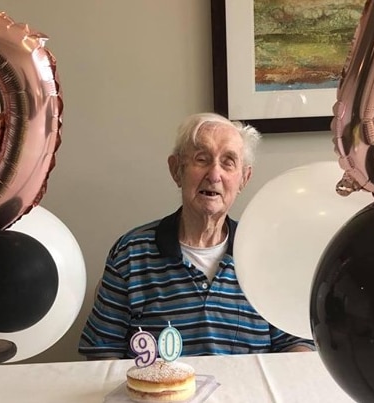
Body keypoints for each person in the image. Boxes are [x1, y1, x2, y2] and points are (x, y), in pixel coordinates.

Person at [78, 112, 314, 359]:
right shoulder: (131, 254)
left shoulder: (265, 252)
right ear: (176, 170)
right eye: (202, 159)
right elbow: (102, 351)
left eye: (228, 162)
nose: (214, 175)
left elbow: (294, 342)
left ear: (244, 178)